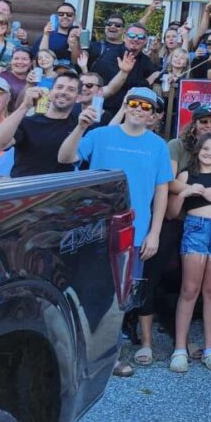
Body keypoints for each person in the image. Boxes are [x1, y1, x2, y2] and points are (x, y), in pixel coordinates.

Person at [58, 87, 173, 376]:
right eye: (134, 103)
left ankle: (109, 357)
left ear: (152, 115)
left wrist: (155, 232)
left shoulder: (158, 145)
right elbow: (65, 157)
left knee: (119, 300)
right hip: (95, 230)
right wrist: (81, 126)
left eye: (146, 107)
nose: (139, 109)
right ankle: (80, 356)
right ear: (125, 105)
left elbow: (162, 192)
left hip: (135, 232)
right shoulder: (99, 135)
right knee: (88, 292)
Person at [167, 133, 211, 373]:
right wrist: (186, 192)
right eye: (205, 148)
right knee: (189, 290)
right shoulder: (187, 175)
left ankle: (210, 348)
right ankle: (179, 349)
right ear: (198, 150)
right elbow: (172, 212)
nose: (209, 153)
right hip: (196, 231)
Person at [0, 70, 81, 177]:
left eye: (71, 89)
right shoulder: (29, 122)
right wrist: (25, 106)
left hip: (59, 191)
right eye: (59, 87)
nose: (64, 92)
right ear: (50, 92)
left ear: (78, 97)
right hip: (27, 189)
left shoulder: (80, 126)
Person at [94, 22, 158, 112]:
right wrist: (147, 81)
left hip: (132, 109)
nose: (135, 39)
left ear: (145, 40)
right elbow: (127, 84)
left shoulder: (144, 59)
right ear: (124, 37)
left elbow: (155, 73)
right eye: (131, 35)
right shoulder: (112, 55)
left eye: (140, 37)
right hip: (106, 108)